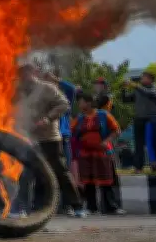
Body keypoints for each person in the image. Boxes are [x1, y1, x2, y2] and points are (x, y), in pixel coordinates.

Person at [15, 65, 83, 216]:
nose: (24, 77)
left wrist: (48, 118)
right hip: (30, 137)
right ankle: (22, 208)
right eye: (21, 74)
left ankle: (77, 206)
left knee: (60, 171)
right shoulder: (19, 92)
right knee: (27, 172)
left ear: (34, 73)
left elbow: (64, 104)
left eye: (27, 73)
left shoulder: (47, 88)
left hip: (49, 137)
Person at [71, 94, 124, 215]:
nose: (79, 105)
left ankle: (111, 207)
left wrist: (106, 141)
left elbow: (116, 130)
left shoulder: (104, 115)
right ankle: (91, 207)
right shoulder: (79, 118)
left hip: (102, 152)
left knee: (106, 180)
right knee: (88, 181)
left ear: (89, 103)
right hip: (85, 154)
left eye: (81, 102)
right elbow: (71, 132)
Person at [121, 72, 156, 172]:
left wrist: (135, 86)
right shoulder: (138, 90)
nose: (142, 79)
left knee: (153, 142)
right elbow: (126, 100)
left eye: (144, 78)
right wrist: (124, 89)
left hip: (152, 119)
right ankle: (138, 166)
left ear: (150, 79)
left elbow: (148, 93)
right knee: (138, 143)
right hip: (139, 119)